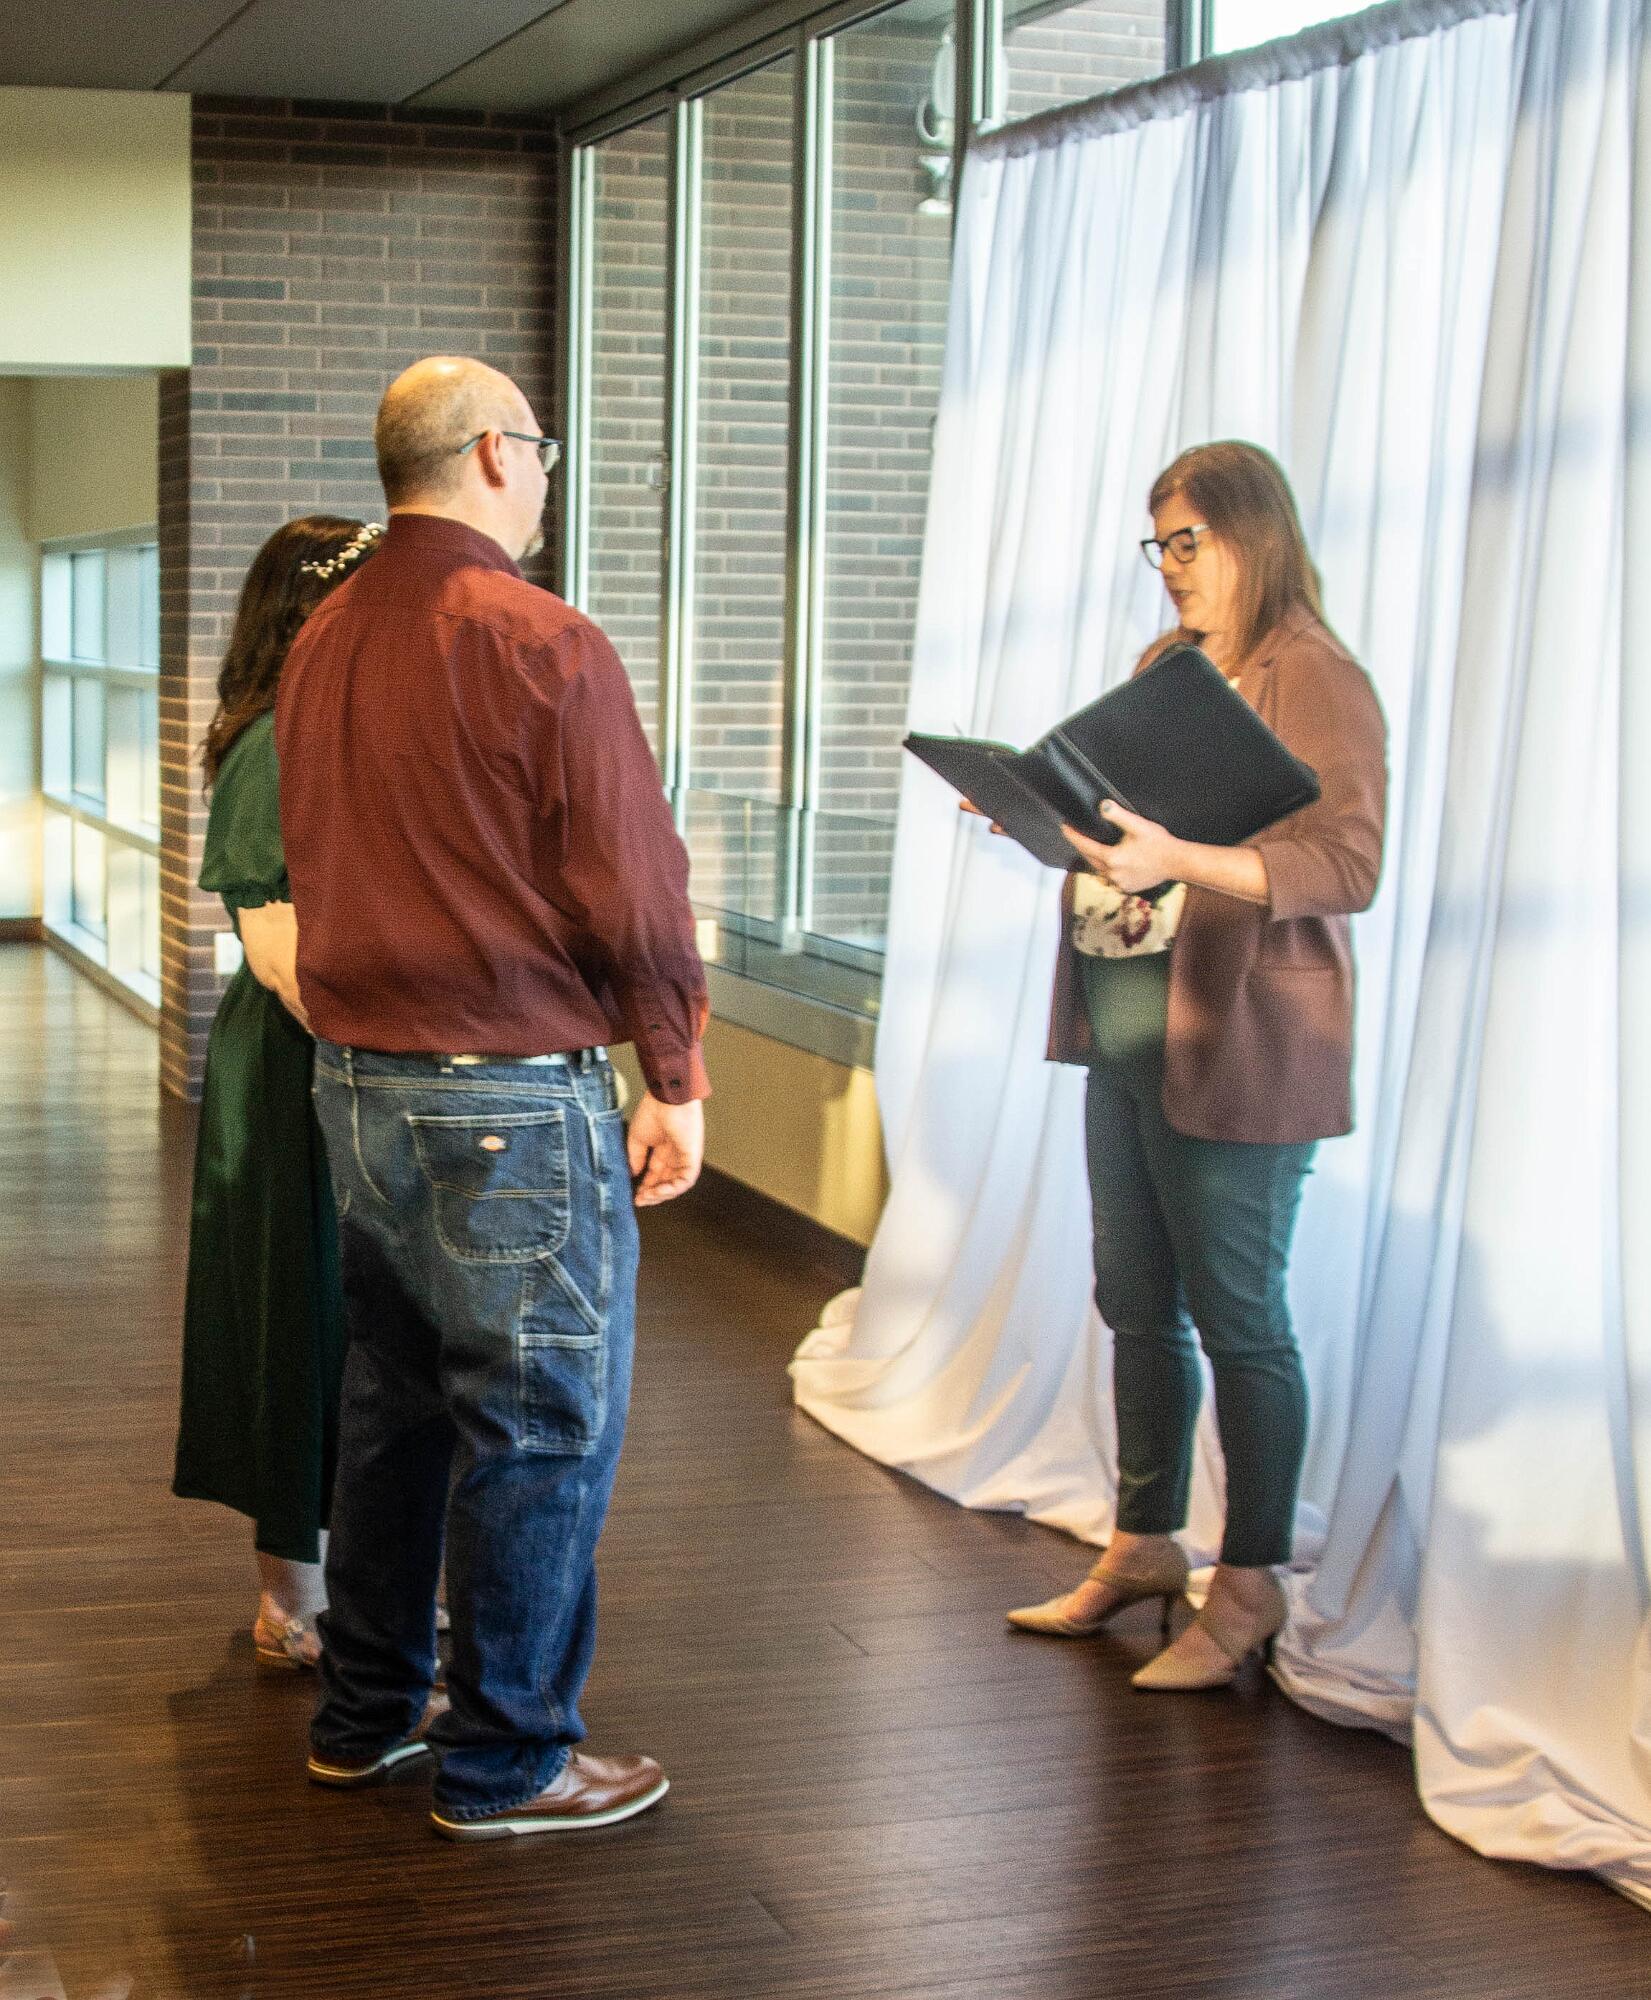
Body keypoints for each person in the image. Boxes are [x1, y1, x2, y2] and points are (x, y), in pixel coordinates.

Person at [275, 355, 709, 1838]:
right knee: (538, 1422)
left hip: (356, 1085)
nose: (545, 476)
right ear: (490, 455)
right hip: (508, 1095)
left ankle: (365, 1715)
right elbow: (635, 884)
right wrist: (674, 1071)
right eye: (543, 448)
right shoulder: (543, 640)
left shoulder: (321, 639)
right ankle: (509, 1758)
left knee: (393, 1409)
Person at [1005, 441, 1387, 1690]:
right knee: (1134, 1299)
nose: (1168, 566)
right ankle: (1144, 1542)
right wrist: (1037, 816)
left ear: (1252, 534)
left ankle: (1252, 1585)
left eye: (1188, 540)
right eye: (1157, 543)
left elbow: (1347, 863)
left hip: (1245, 1042)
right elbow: (1128, 836)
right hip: (1126, 1023)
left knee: (1240, 1319)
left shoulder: (1315, 675)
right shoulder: (1166, 664)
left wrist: (1178, 858)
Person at [174, 515, 382, 1670]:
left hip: (346, 1064)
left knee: (355, 1330)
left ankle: (362, 1583)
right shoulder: (268, 744)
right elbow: (280, 956)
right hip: (298, 1069)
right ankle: (291, 1599)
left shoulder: (341, 732)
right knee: (293, 1319)